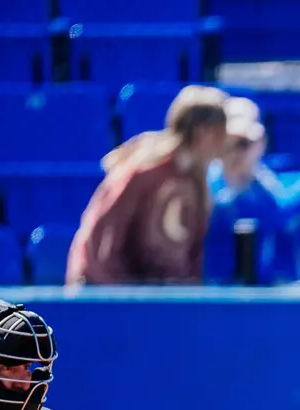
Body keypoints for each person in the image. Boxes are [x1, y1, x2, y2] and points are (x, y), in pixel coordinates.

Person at [66, 85, 230, 286]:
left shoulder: (196, 181)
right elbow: (101, 246)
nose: (223, 143)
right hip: (111, 299)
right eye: (219, 132)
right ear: (201, 132)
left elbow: (190, 257)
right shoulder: (142, 170)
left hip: (158, 303)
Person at [206, 96, 300, 284]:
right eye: (232, 143)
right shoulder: (207, 180)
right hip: (215, 293)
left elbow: (277, 206)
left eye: (246, 143)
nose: (238, 152)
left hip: (261, 294)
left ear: (261, 143)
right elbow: (273, 213)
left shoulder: (264, 180)